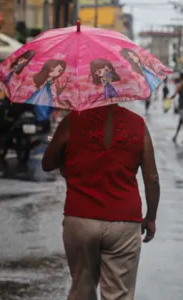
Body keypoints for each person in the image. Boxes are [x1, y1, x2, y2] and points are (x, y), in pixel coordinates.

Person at [42, 104, 160, 300]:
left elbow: (47, 164)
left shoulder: (72, 120)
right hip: (124, 222)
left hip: (80, 219)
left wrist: (59, 147)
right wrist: (151, 217)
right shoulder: (137, 124)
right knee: (119, 293)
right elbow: (152, 178)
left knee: (81, 288)